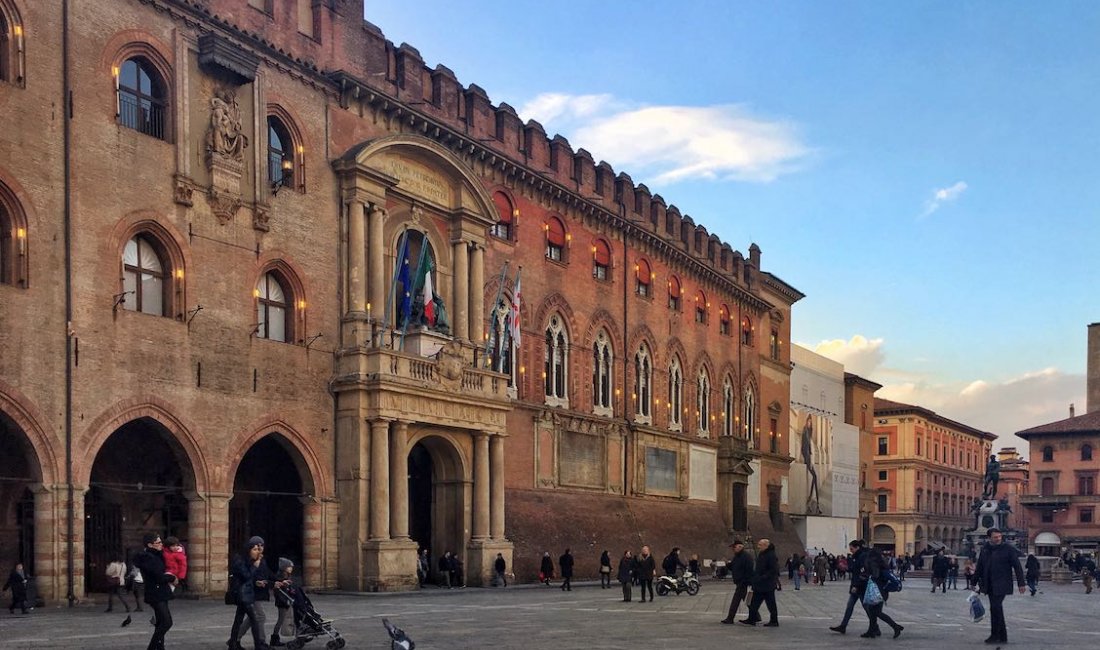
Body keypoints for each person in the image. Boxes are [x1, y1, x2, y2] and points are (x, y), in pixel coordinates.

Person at [975, 527, 1025, 644]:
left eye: (999, 537)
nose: (998, 539)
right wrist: (973, 581)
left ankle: (995, 635)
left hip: (1002, 583)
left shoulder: (1008, 549)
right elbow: (980, 567)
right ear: (989, 538)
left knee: (995, 607)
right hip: (989, 583)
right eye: (995, 537)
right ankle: (1003, 636)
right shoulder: (985, 549)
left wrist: (1021, 583)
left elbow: (1017, 566)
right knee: (997, 608)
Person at [227, 536, 272, 650]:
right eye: (255, 549)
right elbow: (246, 576)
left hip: (246, 593)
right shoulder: (239, 560)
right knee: (255, 619)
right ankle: (258, 645)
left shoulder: (248, 560)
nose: (257, 551)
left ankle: (233, 643)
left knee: (238, 620)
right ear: (248, 550)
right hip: (242, 594)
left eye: (259, 549)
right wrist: (255, 566)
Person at [133, 533, 176, 650]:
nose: (162, 544)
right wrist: (172, 578)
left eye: (161, 542)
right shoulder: (149, 558)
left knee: (161, 622)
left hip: (159, 591)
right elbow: (158, 576)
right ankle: (152, 647)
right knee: (167, 622)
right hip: (155, 592)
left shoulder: (156, 556)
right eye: (158, 543)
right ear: (150, 545)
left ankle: (160, 647)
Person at [860, 546, 904, 639]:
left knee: (876, 612)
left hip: (877, 591)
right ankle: (871, 631)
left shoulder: (873, 563)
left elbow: (875, 576)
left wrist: (867, 575)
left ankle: (895, 627)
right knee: (873, 612)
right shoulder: (882, 564)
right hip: (882, 591)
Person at [830, 539, 870, 634]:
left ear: (857, 547)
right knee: (850, 606)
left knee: (867, 608)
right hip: (856, 586)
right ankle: (843, 626)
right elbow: (854, 570)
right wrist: (846, 568)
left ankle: (875, 626)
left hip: (860, 586)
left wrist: (856, 585)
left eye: (852, 548)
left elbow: (862, 572)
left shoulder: (862, 556)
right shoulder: (855, 557)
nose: (850, 550)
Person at [740, 538, 780, 627]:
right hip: (760, 584)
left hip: (767, 584)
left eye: (760, 545)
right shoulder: (763, 554)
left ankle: (774, 621)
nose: (758, 547)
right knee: (754, 602)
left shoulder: (771, 555)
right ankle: (751, 619)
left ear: (766, 546)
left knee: (771, 604)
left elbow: (773, 570)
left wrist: (763, 577)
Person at [720, 540, 754, 624]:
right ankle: (755, 616)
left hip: (743, 582)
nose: (733, 549)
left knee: (736, 600)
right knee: (747, 600)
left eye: (734, 547)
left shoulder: (746, 557)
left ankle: (730, 618)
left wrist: (745, 580)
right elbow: (733, 568)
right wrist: (727, 564)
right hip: (740, 582)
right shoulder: (737, 557)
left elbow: (749, 570)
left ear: (740, 547)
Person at [270, 558, 296, 647]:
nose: (291, 568)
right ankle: (274, 638)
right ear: (284, 568)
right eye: (289, 567)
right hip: (282, 602)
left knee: (283, 619)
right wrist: (286, 600)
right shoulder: (281, 578)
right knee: (280, 620)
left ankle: (275, 638)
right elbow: (279, 592)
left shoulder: (287, 577)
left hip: (285, 601)